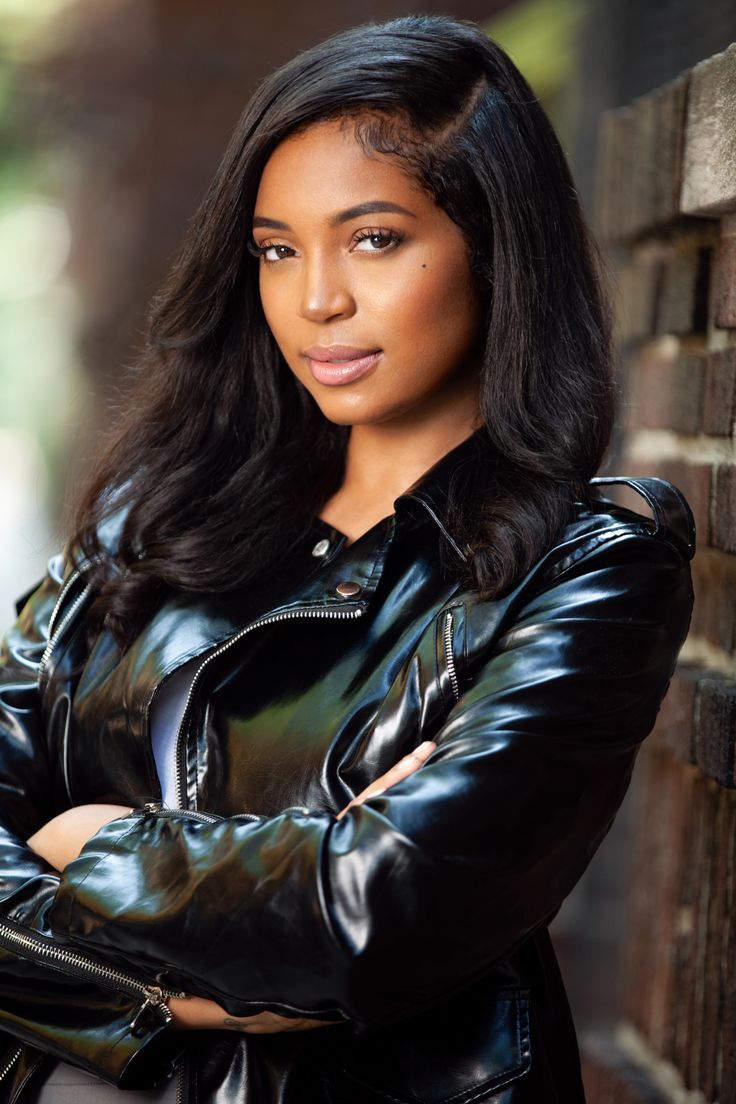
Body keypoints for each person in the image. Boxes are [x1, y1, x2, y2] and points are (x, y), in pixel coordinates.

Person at [0, 13, 695, 1104]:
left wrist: (86, 839)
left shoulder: (588, 564)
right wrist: (188, 970)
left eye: (373, 238)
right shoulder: (156, 522)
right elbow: (320, 904)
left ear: (491, 243)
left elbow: (367, 917)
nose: (315, 298)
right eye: (277, 248)